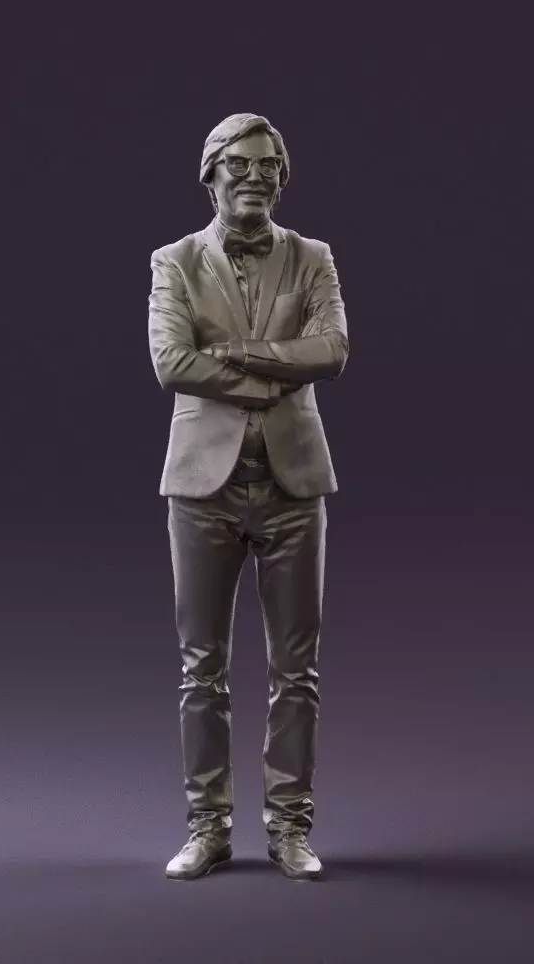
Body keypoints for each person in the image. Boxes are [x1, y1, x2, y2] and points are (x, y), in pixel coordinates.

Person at [147, 113, 349, 881]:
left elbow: (332, 350)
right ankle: (208, 828)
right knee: (201, 668)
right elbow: (170, 361)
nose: (255, 177)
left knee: (298, 671)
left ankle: (290, 828)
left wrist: (234, 353)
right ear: (210, 175)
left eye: (269, 166)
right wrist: (273, 374)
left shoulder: (313, 257)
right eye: (240, 165)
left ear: (283, 178)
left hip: (295, 487)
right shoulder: (174, 261)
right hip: (203, 490)